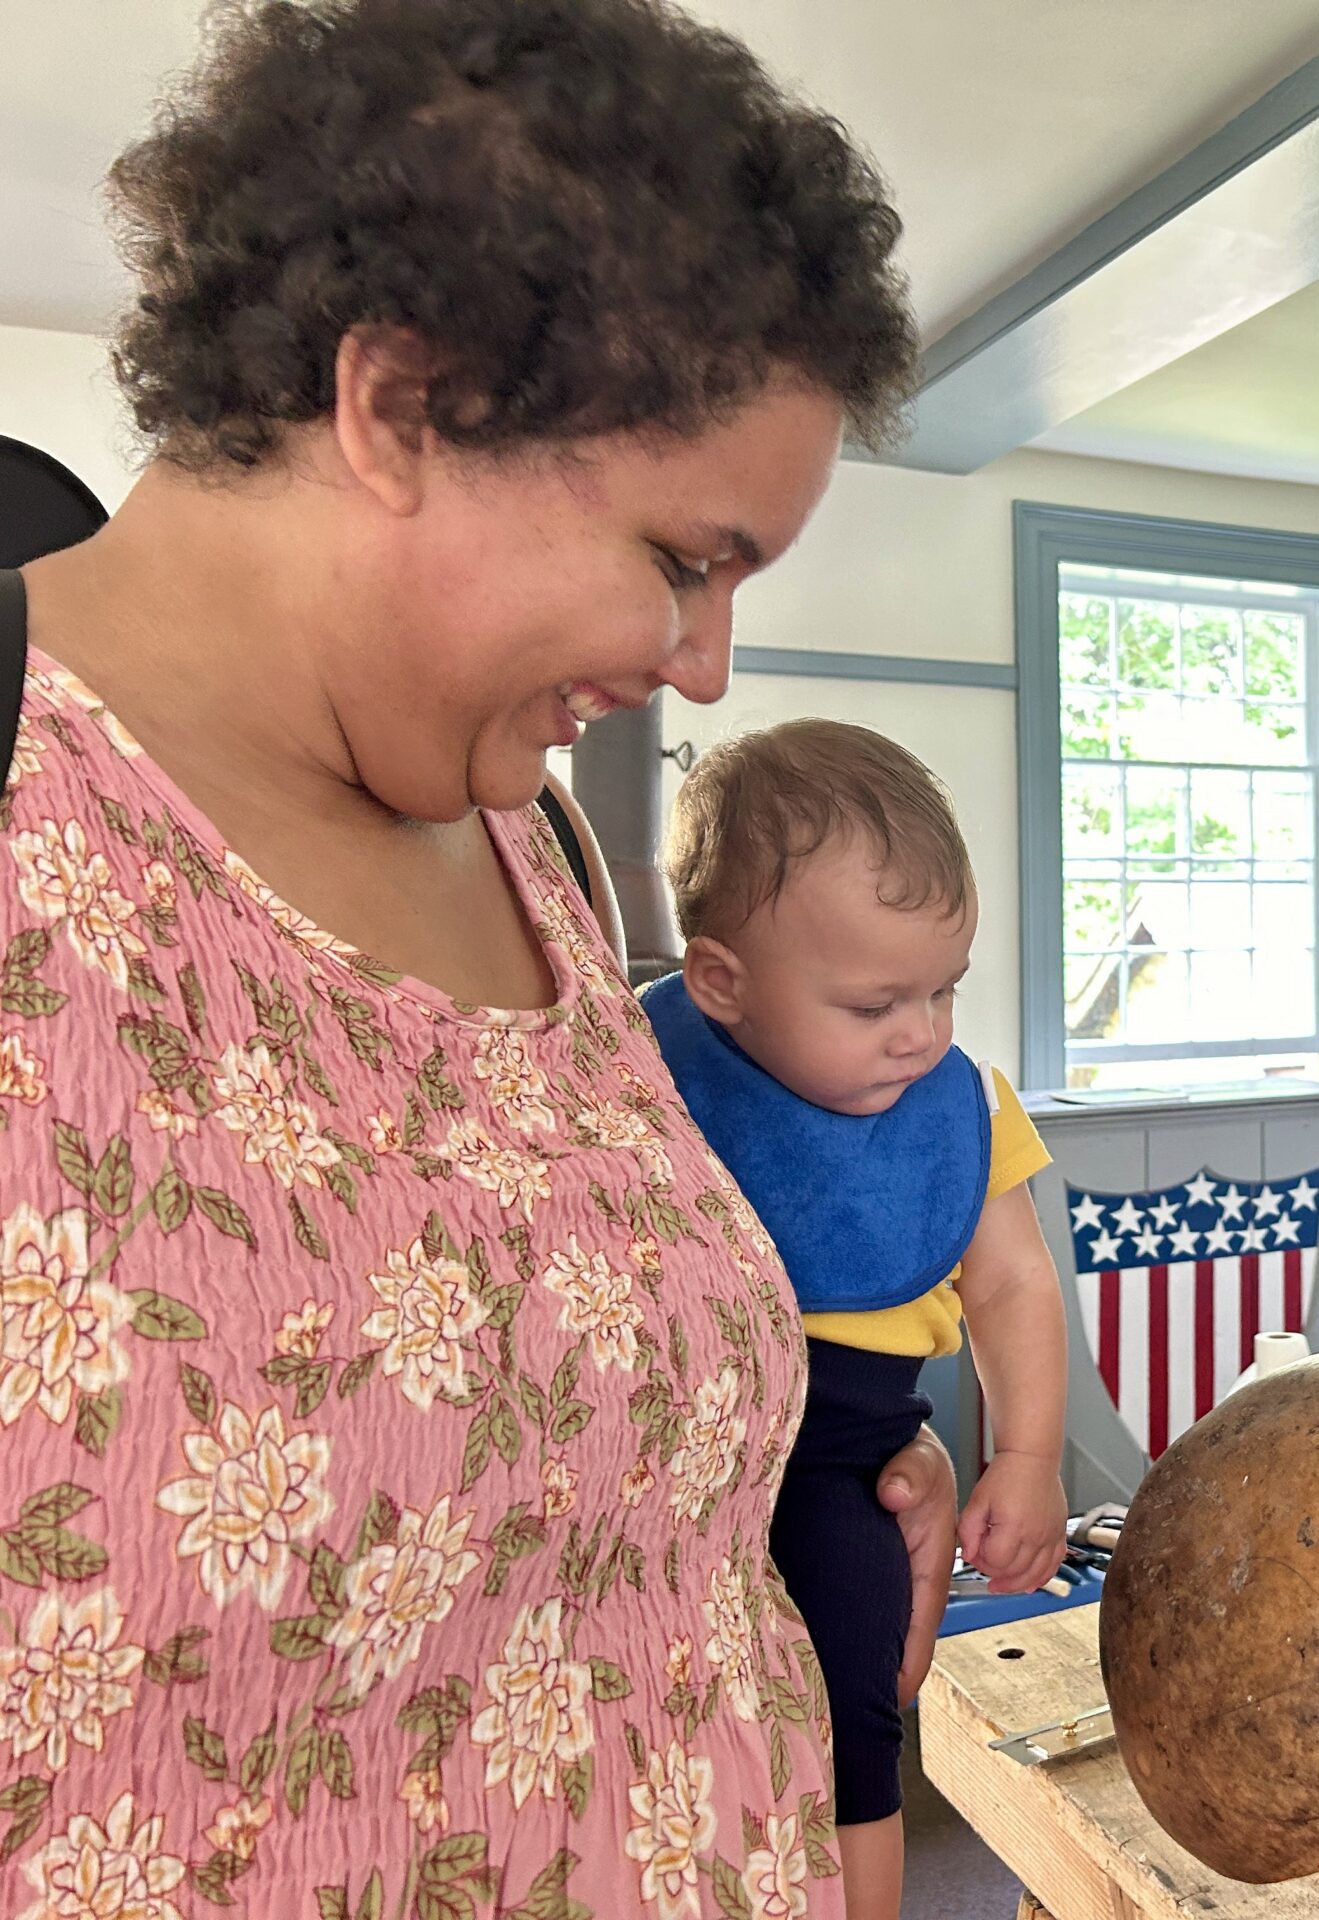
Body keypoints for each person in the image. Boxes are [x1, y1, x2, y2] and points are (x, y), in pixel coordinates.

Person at [1, 0, 959, 1909]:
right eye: (683, 561)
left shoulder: (546, 845)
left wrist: (751, 1478)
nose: (706, 667)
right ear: (400, 403)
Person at [644, 719, 1072, 1920]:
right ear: (721, 983)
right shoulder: (647, 1066)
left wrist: (1028, 1457)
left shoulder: (957, 1106)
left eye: (944, 989)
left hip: (842, 1458)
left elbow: (1012, 1285)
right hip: (667, 1445)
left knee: (853, 1709)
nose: (921, 1032)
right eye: (876, 1002)